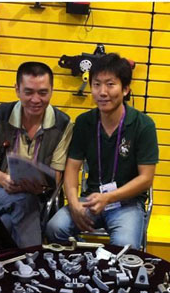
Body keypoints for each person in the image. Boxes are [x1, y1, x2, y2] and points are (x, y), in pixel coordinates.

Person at [45, 53, 159, 249]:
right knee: (55, 228)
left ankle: (107, 265)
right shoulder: (84, 122)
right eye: (97, 84)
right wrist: (74, 204)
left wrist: (108, 197)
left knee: (124, 247)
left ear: (125, 89)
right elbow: (72, 168)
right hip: (91, 199)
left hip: (127, 203)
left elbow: (146, 178)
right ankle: (85, 262)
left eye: (110, 84)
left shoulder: (143, 125)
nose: (102, 92)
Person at [0, 62, 73, 248]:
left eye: (43, 93)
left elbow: (57, 173)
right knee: (24, 201)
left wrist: (41, 186)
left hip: (38, 195)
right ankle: (33, 257)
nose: (36, 99)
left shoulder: (63, 124)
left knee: (7, 222)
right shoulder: (0, 115)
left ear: (52, 91)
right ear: (17, 90)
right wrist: (5, 180)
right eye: (28, 92)